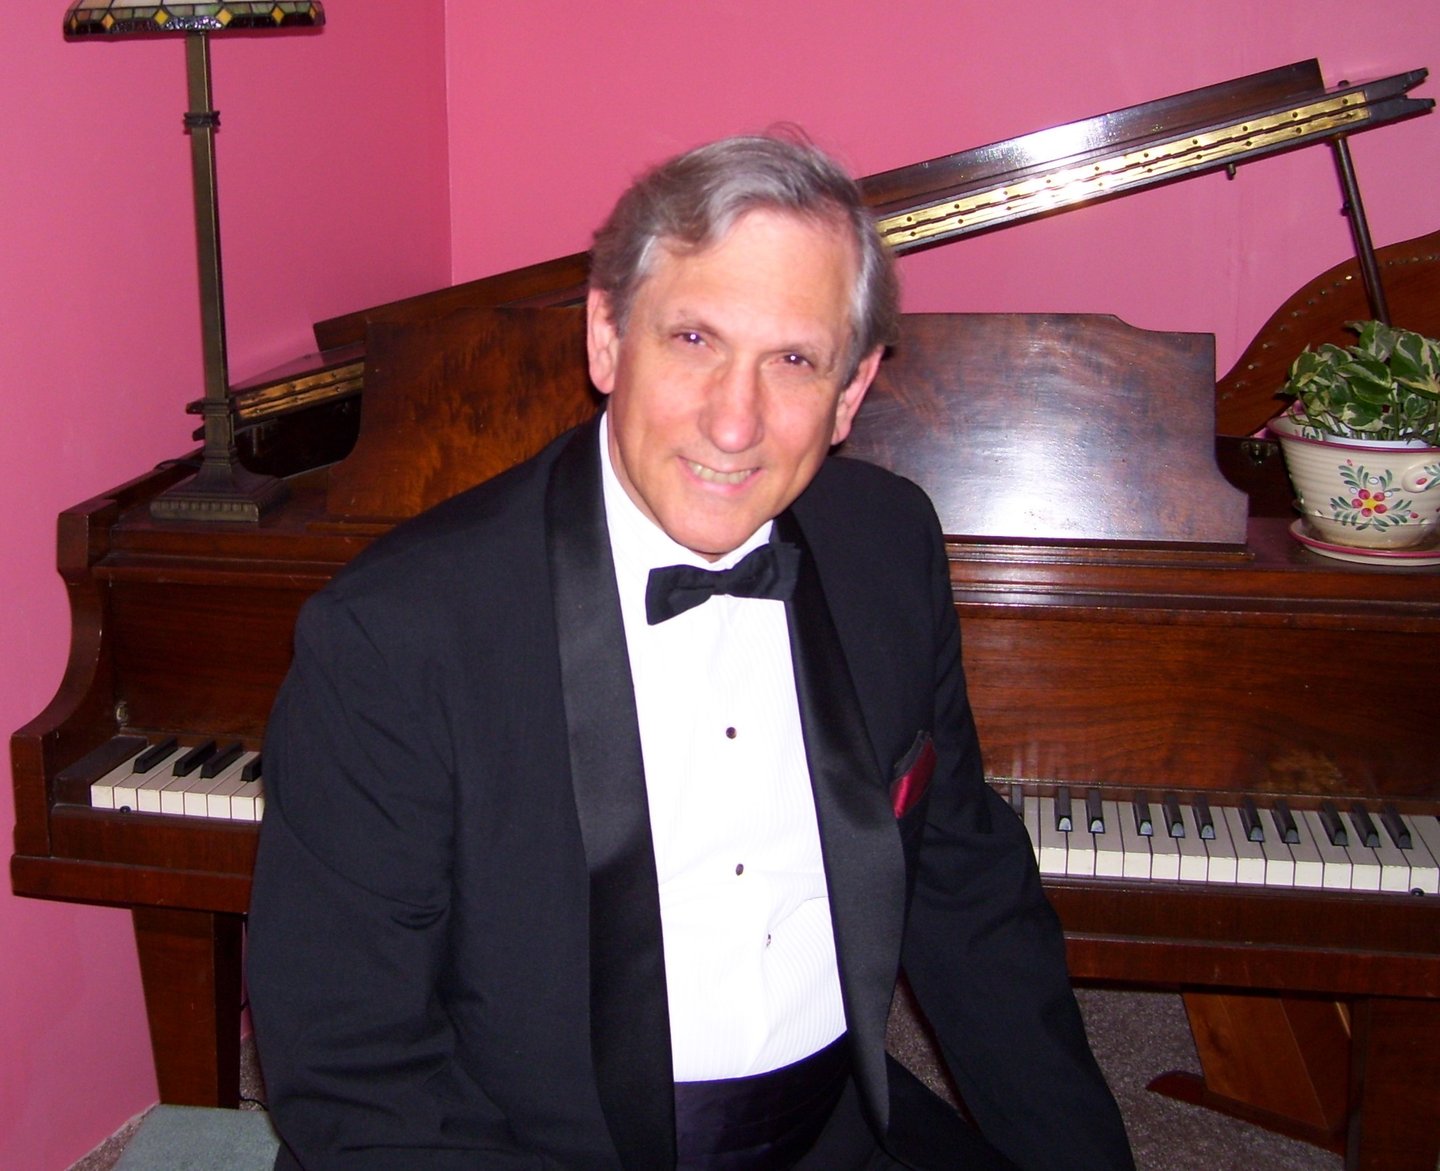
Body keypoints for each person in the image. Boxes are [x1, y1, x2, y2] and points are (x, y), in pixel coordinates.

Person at [247, 132, 1134, 1171]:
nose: (734, 421)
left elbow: (967, 892)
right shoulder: (399, 630)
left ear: (852, 393)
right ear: (607, 339)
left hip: (829, 1135)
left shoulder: (886, 545)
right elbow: (350, 1058)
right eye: (696, 341)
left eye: (794, 360)